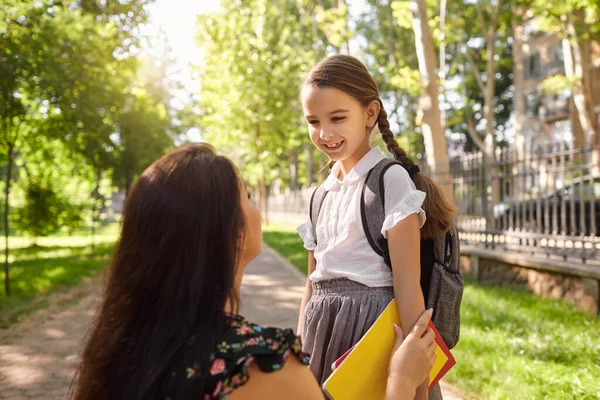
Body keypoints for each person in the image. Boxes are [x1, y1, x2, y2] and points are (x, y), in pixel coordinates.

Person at [70, 143, 437, 400]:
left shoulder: (121, 354)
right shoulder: (258, 365)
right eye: (245, 197)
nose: (255, 207)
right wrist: (401, 383)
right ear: (228, 233)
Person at [296, 55, 456, 399]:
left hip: (370, 331)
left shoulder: (389, 181)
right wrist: (298, 352)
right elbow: (311, 284)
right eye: (313, 121)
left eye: (338, 118)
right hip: (320, 331)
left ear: (370, 113)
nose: (325, 133)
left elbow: (407, 285)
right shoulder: (319, 195)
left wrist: (419, 386)